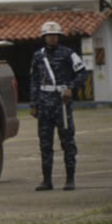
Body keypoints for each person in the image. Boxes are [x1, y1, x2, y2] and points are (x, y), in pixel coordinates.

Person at [29, 21, 88, 191]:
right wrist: (33, 104)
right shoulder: (38, 56)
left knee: (68, 142)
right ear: (44, 37)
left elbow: (83, 72)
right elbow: (33, 81)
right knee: (45, 144)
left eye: (54, 35)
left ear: (59, 37)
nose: (51, 38)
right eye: (48, 35)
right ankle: (47, 180)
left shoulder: (68, 53)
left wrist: (71, 87)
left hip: (62, 104)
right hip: (44, 104)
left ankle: (70, 179)